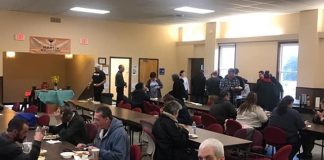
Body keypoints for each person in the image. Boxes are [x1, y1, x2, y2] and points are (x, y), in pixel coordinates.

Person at [268, 95, 305, 160]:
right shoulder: (294, 112)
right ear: (290, 103)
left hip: (273, 138)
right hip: (288, 139)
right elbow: (302, 126)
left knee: (280, 141)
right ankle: (288, 157)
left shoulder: (275, 109)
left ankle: (280, 155)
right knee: (300, 140)